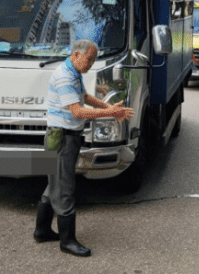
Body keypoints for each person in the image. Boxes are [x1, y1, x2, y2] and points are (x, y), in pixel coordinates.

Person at [34, 39, 134, 257]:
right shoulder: (64, 76)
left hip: (63, 136)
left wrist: (108, 106)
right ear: (76, 55)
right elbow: (78, 111)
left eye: (93, 60)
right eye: (89, 59)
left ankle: (41, 230)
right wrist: (110, 113)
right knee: (65, 188)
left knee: (55, 185)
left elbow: (85, 97)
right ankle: (67, 241)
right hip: (62, 138)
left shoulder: (73, 71)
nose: (91, 64)